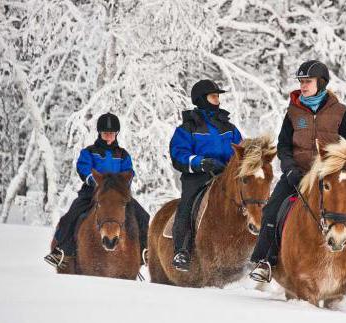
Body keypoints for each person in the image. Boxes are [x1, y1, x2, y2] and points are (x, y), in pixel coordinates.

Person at [248, 60, 346, 283]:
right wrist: (290, 169)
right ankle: (265, 260)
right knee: (273, 207)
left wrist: (342, 170)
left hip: (330, 176)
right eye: (301, 82)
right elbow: (284, 146)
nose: (303, 86)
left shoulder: (339, 112)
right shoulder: (293, 112)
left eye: (308, 82)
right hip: (299, 174)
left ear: (321, 83)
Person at [44, 113, 150, 267]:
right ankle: (61, 251)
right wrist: (94, 181)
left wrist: (121, 184)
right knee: (71, 215)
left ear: (116, 134)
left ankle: (144, 251)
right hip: (92, 192)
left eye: (111, 134)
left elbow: (129, 171)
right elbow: (82, 167)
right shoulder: (89, 152)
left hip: (117, 196)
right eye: (105, 133)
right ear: (100, 133)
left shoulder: (123, 154)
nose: (108, 137)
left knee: (143, 216)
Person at [169, 79, 243, 271]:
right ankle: (182, 250)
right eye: (213, 96)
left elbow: (241, 149)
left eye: (218, 96)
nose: (217, 100)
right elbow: (178, 154)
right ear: (202, 99)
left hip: (226, 175)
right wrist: (199, 162)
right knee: (187, 205)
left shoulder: (229, 127)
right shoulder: (188, 128)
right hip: (198, 177)